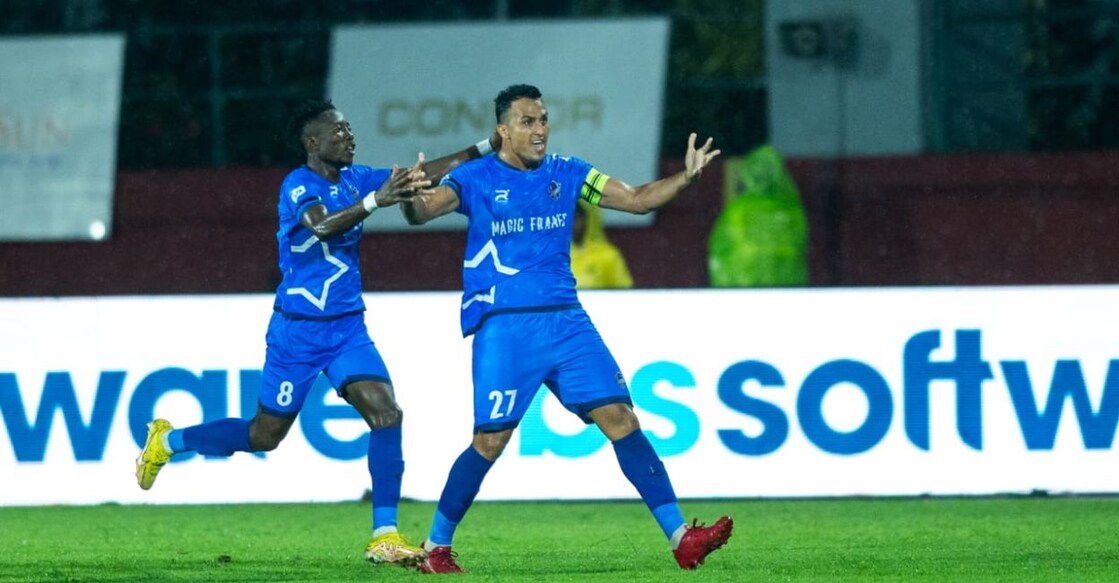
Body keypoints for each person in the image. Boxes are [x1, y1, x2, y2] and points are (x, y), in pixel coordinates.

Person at [134, 99, 499, 567]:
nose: (349, 137)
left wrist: (485, 147)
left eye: (349, 129)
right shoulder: (297, 184)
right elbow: (322, 225)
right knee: (264, 434)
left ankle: (384, 536)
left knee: (387, 414)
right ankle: (168, 441)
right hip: (298, 334)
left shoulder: (354, 178)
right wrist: (376, 200)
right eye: (339, 131)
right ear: (313, 142)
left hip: (347, 329)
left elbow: (417, 176)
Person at [399, 84, 733, 574]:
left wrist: (685, 177)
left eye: (543, 120)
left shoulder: (569, 172)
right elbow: (422, 212)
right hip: (507, 325)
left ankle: (682, 538)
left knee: (622, 419)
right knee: (489, 442)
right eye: (528, 121)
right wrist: (410, 196)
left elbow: (638, 200)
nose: (540, 130)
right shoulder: (474, 176)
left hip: (568, 321)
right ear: (502, 130)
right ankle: (436, 549)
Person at [708, 144, 808, 287]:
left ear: (748, 173)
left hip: (743, 288)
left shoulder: (737, 211)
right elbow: (801, 250)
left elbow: (718, 254)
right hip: (785, 292)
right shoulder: (793, 211)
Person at [570, 199, 634, 289]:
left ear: (589, 219)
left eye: (577, 217)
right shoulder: (555, 255)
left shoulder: (608, 255)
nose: (572, 223)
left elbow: (625, 292)